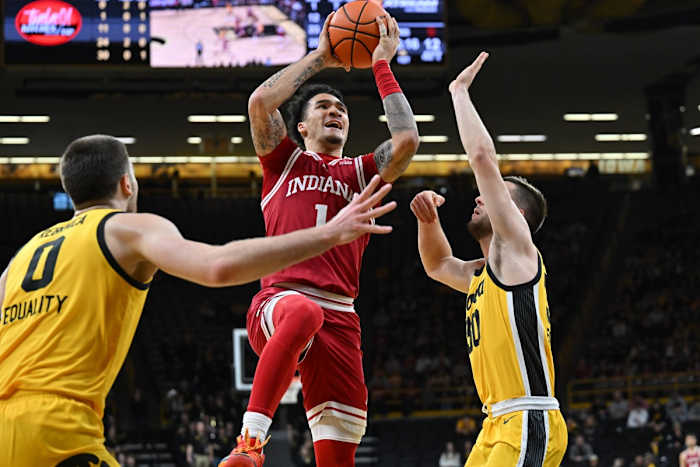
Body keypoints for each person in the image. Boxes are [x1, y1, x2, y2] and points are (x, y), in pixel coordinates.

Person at [0, 134, 396, 467]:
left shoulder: (20, 260)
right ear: (127, 184)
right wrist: (328, 234)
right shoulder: (127, 228)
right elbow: (217, 267)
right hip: (57, 427)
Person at [220, 10, 419, 467]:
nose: (336, 112)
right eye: (324, 108)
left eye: (343, 110)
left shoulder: (362, 171)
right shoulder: (282, 162)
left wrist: (382, 67)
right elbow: (259, 103)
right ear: (302, 128)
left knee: (339, 454)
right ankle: (250, 444)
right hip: (281, 301)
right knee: (303, 310)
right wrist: (321, 57)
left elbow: (407, 140)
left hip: (343, 318)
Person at [410, 52, 567, 466]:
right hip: (495, 423)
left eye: (498, 193)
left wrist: (459, 92)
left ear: (515, 216)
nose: (481, 196)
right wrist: (428, 220)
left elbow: (482, 159)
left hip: (528, 416)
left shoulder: (518, 252)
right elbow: (438, 266)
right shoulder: (485, 273)